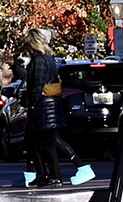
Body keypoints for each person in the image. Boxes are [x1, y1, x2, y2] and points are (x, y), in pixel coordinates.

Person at [23, 27, 81, 187]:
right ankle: (43, 174)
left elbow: (38, 84)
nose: (26, 47)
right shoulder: (48, 59)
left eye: (27, 44)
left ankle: (55, 176)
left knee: (49, 142)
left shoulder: (40, 60)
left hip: (44, 107)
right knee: (35, 142)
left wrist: (33, 104)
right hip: (47, 106)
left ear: (32, 44)